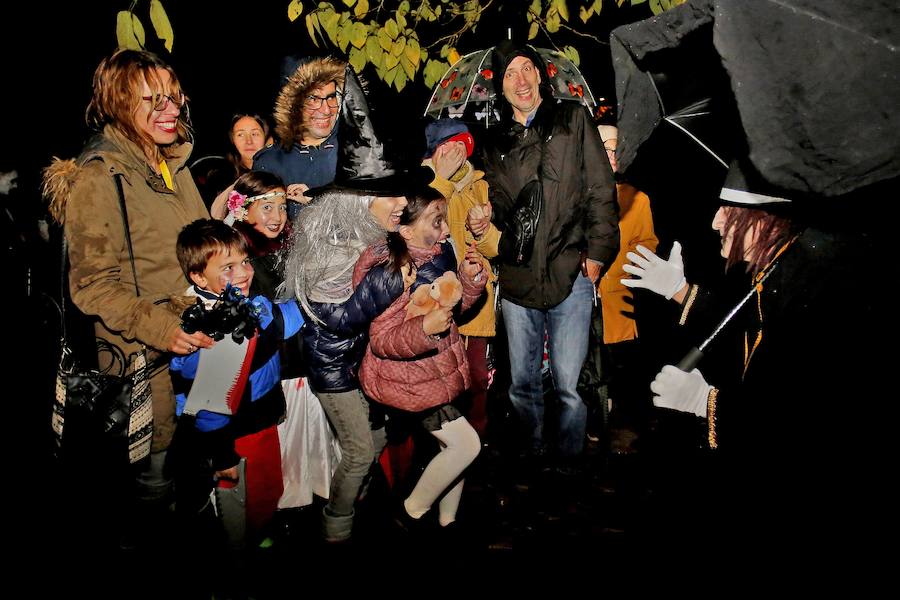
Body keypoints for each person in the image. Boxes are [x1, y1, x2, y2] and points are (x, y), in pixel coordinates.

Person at [621, 183, 888, 546]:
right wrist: (679, 289)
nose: (715, 222)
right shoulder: (785, 262)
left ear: (764, 219)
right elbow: (747, 326)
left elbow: (800, 413)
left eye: (727, 211)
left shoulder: (821, 280)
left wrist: (709, 403)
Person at [43, 49, 213, 551]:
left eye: (174, 98)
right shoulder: (100, 177)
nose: (170, 110)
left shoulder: (172, 165)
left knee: (193, 474)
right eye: (153, 100)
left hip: (193, 349)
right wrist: (163, 329)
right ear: (119, 104)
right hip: (142, 364)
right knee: (150, 486)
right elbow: (93, 284)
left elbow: (193, 246)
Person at [480, 40, 619, 470]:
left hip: (570, 273)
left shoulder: (573, 119)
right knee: (522, 384)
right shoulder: (494, 141)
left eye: (526, 69)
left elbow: (601, 190)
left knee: (568, 385)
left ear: (540, 74)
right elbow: (497, 210)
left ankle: (570, 462)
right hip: (519, 278)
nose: (520, 80)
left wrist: (596, 254)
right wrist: (483, 220)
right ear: (500, 88)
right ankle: (533, 455)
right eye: (509, 74)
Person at [168, 219, 303, 594]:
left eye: (244, 261)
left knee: (266, 492)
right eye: (228, 268)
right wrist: (223, 455)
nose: (244, 273)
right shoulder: (207, 330)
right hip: (231, 437)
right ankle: (233, 576)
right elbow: (209, 408)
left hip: (261, 418)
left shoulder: (248, 305)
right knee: (236, 509)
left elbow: (286, 318)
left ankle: (252, 541)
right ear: (198, 278)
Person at [357, 187, 485, 532]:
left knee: (455, 451)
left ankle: (448, 522)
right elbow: (383, 340)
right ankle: (409, 513)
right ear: (406, 230)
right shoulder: (391, 269)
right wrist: (424, 329)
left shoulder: (434, 254)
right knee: (466, 445)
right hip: (411, 378)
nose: (445, 231)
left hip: (437, 372)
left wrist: (469, 283)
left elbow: (451, 310)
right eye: (437, 222)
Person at [423, 118, 500, 438]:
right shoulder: (422, 183)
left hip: (477, 298)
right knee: (439, 380)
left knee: (478, 377)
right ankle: (442, 444)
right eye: (447, 146)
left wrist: (481, 231)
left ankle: (476, 442)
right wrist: (440, 181)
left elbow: (496, 247)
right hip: (434, 298)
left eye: (461, 145)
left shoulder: (481, 185)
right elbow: (420, 230)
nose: (456, 152)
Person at [596, 124, 659, 453]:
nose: (612, 155)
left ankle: (621, 437)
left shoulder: (637, 198)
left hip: (622, 304)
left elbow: (648, 242)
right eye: (605, 148)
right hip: (585, 306)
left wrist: (630, 257)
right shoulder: (578, 196)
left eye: (617, 148)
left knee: (622, 376)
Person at [253, 56, 346, 215]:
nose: (326, 110)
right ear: (292, 106)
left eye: (331, 97)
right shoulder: (270, 162)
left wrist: (315, 202)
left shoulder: (357, 152)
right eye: (313, 99)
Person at [207, 114, 273, 218]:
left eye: (255, 134)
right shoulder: (220, 178)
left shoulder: (279, 173)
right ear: (232, 140)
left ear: (267, 138)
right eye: (240, 135)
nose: (249, 141)